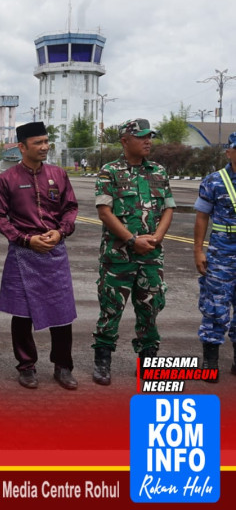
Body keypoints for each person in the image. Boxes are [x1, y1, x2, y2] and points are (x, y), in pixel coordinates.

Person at [0, 121, 79, 390]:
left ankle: (63, 366)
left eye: (46, 141)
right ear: (22, 147)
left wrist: (60, 232)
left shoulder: (58, 174)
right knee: (22, 315)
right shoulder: (7, 179)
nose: (44, 147)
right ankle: (26, 366)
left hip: (54, 252)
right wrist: (26, 240)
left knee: (62, 313)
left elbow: (71, 208)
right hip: (22, 253)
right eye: (38, 143)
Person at [92, 118, 174, 386]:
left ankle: (148, 362)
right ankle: (103, 361)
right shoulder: (110, 172)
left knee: (150, 309)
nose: (148, 140)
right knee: (111, 309)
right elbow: (104, 212)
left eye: (150, 136)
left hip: (151, 257)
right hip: (118, 257)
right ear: (125, 141)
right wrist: (131, 240)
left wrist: (158, 236)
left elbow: (168, 208)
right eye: (141, 137)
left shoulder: (159, 171)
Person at [193, 131, 236, 381]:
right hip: (221, 255)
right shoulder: (214, 181)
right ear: (228, 152)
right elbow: (201, 217)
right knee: (215, 306)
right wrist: (198, 250)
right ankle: (210, 361)